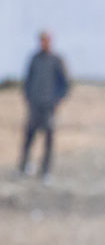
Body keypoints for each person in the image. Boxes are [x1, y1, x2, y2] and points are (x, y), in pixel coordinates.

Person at [19, 31, 69, 181]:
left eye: (46, 40)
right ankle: (24, 166)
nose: (44, 43)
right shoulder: (34, 59)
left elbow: (64, 84)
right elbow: (27, 80)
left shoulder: (56, 60)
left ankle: (46, 171)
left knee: (48, 138)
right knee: (29, 136)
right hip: (35, 105)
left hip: (49, 106)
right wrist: (28, 97)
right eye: (42, 40)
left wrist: (56, 100)